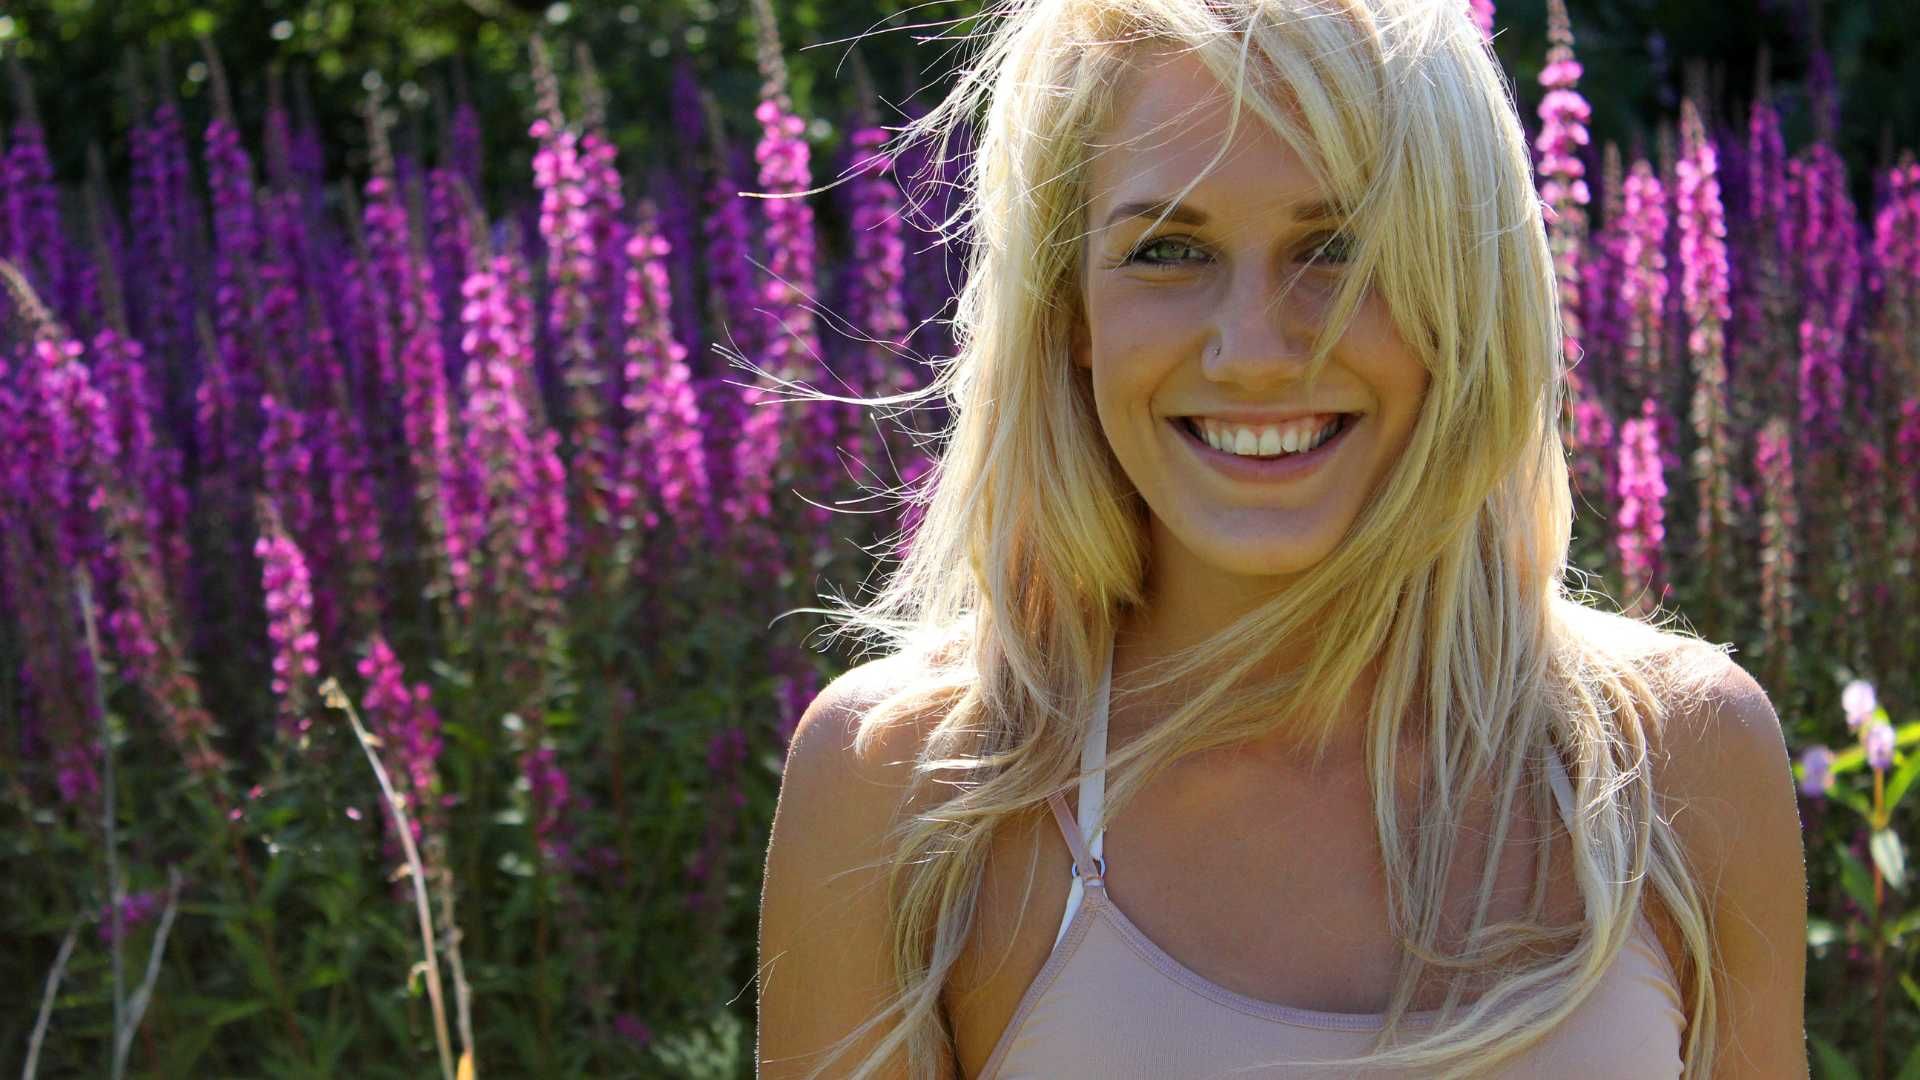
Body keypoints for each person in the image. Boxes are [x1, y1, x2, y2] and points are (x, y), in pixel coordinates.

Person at [756, 0, 1807, 1076]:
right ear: (1068, 310)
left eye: (1338, 247)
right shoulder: (906, 794)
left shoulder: (1679, 764)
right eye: (1166, 250)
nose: (1255, 350)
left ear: (1466, 286)